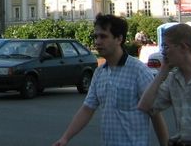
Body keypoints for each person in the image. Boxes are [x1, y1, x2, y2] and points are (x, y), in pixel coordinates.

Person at [53, 14, 168, 146]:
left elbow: (155, 115)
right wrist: (65, 138)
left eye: (103, 36)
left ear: (119, 38)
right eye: (95, 36)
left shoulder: (139, 71)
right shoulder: (99, 73)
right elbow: (87, 109)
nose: (97, 41)